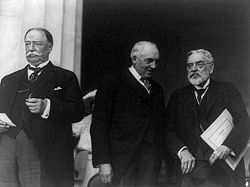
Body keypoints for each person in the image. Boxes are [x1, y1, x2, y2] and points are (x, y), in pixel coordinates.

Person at [0, 28, 84, 187]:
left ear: (49, 47)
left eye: (37, 43)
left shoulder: (65, 77)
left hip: (43, 149)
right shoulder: (9, 79)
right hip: (6, 147)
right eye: (27, 43)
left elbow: (77, 111)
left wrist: (48, 107)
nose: (30, 48)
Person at [166, 49, 250, 187]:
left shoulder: (227, 90)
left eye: (199, 64)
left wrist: (227, 146)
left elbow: (244, 122)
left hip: (221, 169)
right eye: (189, 65)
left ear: (210, 68)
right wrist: (182, 151)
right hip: (188, 169)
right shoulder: (178, 96)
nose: (193, 69)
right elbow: (168, 129)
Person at [90, 41, 166, 187]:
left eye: (156, 61)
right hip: (120, 162)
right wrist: (103, 162)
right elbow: (99, 124)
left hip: (150, 163)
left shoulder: (157, 89)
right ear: (134, 59)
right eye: (149, 61)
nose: (154, 66)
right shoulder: (112, 82)